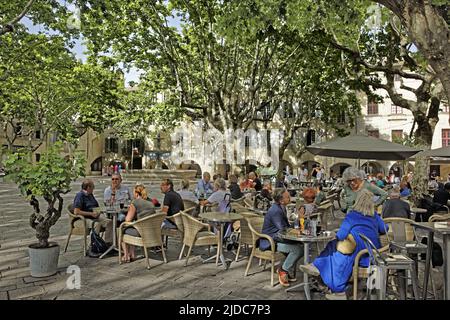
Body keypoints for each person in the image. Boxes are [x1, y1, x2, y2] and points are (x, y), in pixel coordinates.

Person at [300, 189, 388, 298]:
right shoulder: (374, 216)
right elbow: (385, 228)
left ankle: (332, 282)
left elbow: (341, 235)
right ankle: (319, 268)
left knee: (336, 249)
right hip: (373, 253)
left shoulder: (352, 215)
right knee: (338, 249)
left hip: (358, 253)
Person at [260, 188, 304, 287]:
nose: (290, 198)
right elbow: (283, 230)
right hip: (271, 241)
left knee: (301, 245)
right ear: (281, 200)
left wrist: (297, 229)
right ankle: (283, 270)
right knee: (299, 249)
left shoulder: (281, 207)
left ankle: (287, 269)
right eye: (287, 197)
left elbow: (286, 228)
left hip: (278, 237)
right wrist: (297, 232)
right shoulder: (276, 210)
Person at [121, 184, 156, 262]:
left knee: (123, 229)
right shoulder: (151, 202)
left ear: (136, 193)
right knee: (132, 228)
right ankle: (132, 253)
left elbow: (128, 219)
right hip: (152, 231)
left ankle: (126, 255)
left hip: (141, 232)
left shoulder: (135, 202)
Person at [73, 179, 113, 244]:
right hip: (82, 219)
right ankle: (92, 246)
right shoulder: (80, 196)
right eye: (93, 187)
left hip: (94, 216)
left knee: (110, 222)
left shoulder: (90, 195)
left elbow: (95, 206)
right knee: (96, 224)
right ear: (88, 187)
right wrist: (91, 214)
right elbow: (76, 211)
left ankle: (109, 243)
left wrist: (100, 211)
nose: (93, 189)